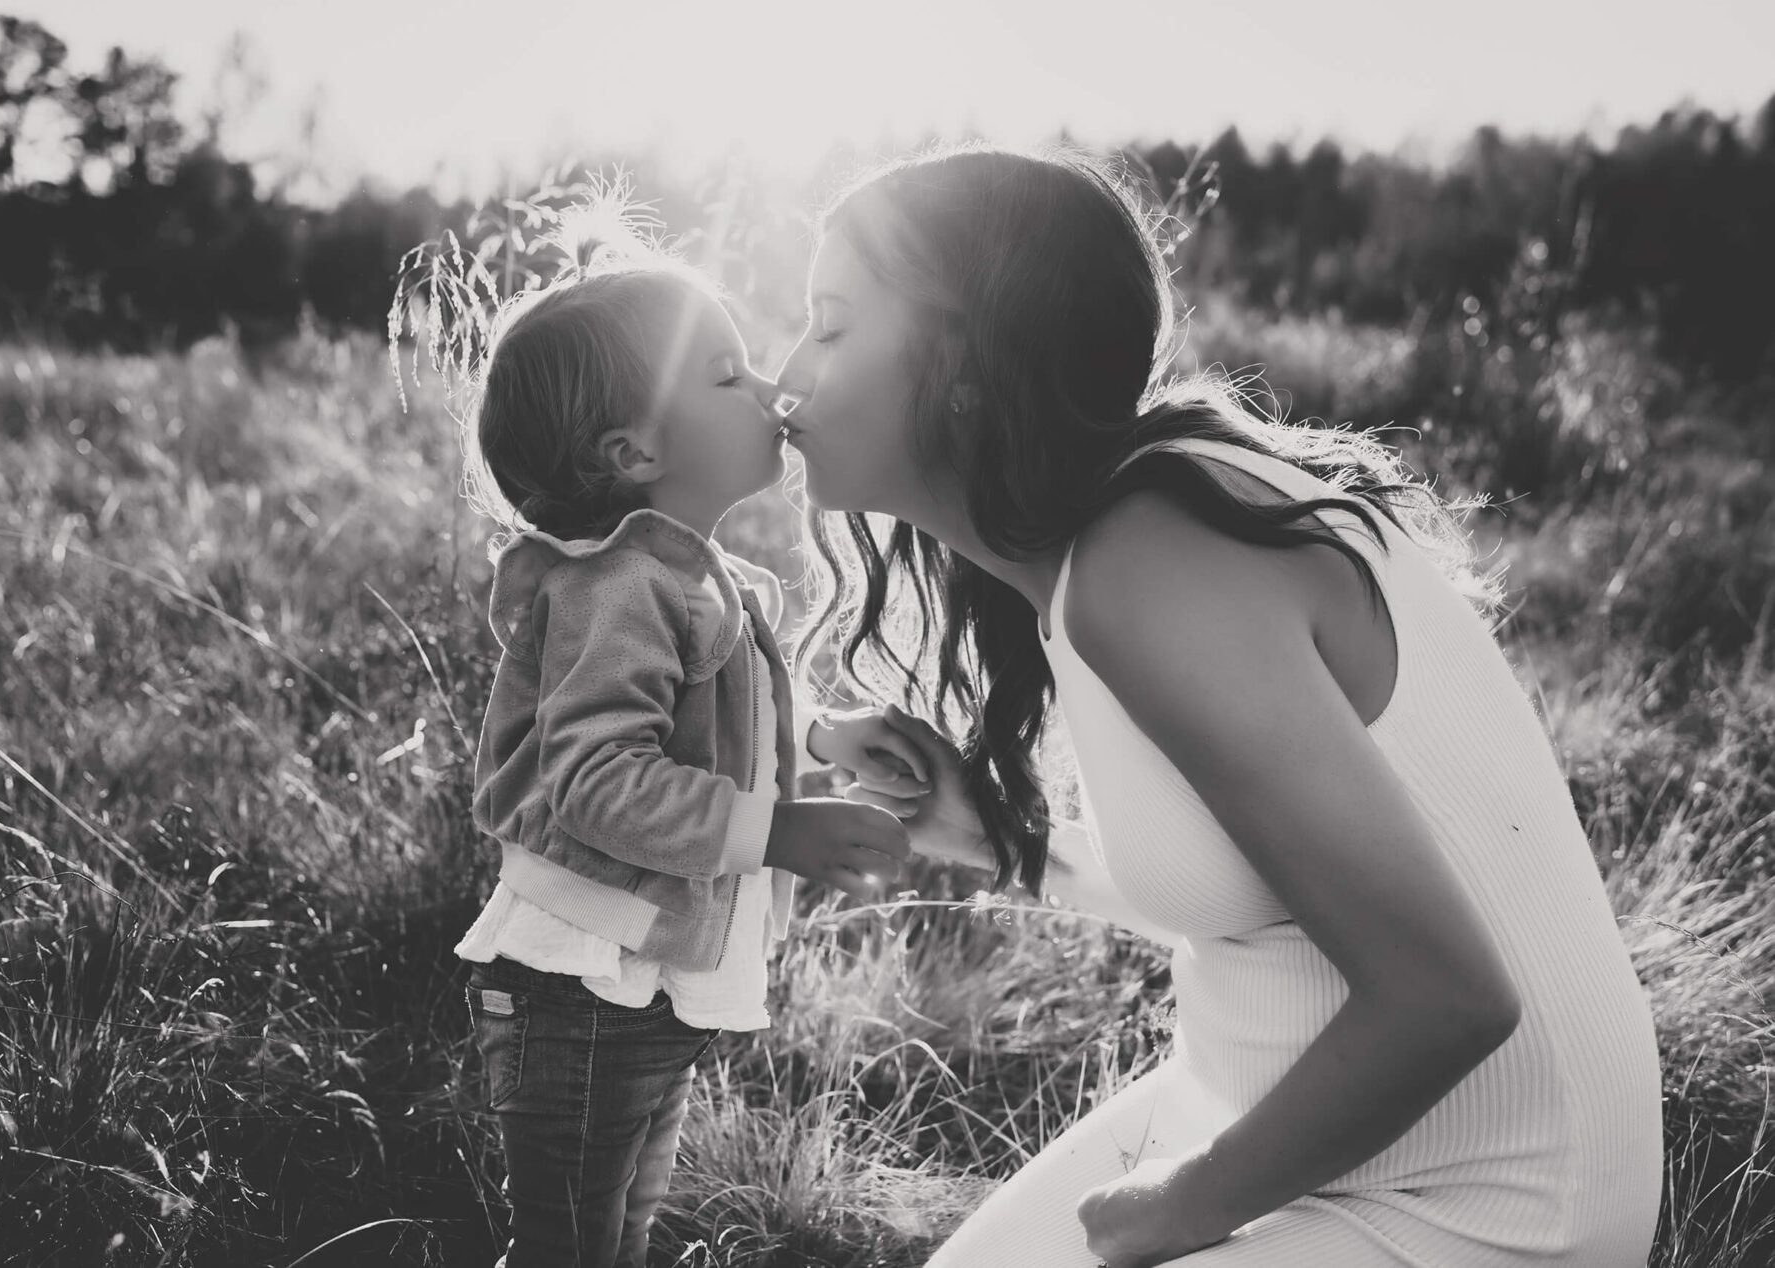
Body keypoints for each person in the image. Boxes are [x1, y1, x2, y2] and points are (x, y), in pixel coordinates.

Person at [773, 143, 1662, 1266]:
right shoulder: (1111, 544)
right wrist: (993, 836)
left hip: (1486, 1199)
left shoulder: (1156, 561)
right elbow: (1241, 880)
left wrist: (1184, 1206)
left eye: (831, 322)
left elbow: (1447, 996)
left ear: (966, 361)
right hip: (1279, 1115)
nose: (786, 368)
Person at [453, 220, 927, 1268]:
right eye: (726, 373)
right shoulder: (620, 586)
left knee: (617, 1231)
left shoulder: (691, 574)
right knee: (568, 1245)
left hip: (642, 984)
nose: (766, 387)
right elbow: (597, 779)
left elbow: (716, 728)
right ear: (633, 452)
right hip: (580, 989)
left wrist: (831, 737)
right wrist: (777, 831)